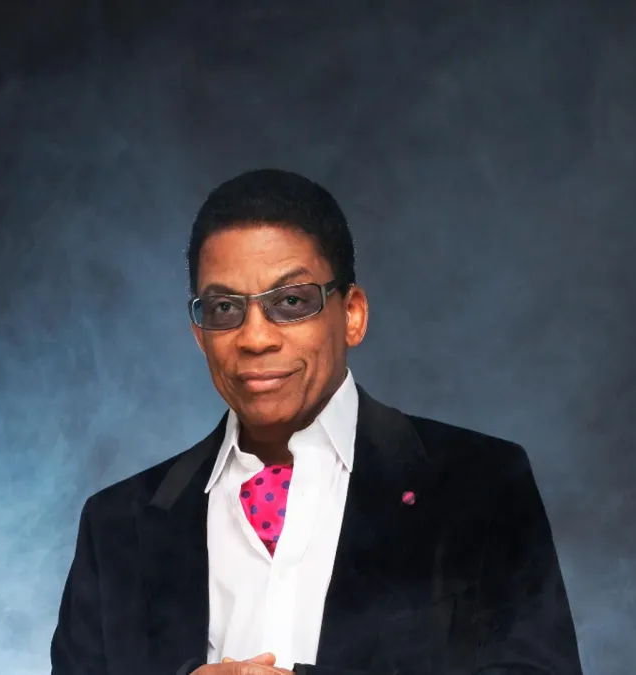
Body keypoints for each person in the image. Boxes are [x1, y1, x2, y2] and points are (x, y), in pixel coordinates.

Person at [49, 169, 583, 675]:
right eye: (224, 309)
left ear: (352, 314)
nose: (256, 338)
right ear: (199, 335)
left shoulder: (480, 486)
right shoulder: (116, 527)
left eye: (290, 301)